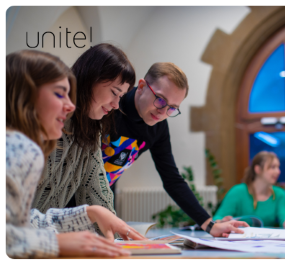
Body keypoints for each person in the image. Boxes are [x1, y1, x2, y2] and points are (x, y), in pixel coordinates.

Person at [6, 50, 142, 258]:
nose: (70, 104)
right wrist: (56, 241)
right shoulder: (22, 147)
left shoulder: (88, 131)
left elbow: (22, 223)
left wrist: (93, 214)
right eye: (60, 94)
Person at [101, 62, 248, 237]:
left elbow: (172, 179)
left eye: (172, 108)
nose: (163, 112)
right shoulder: (111, 105)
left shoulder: (158, 127)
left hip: (103, 201)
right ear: (141, 86)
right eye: (161, 100)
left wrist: (209, 225)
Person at [32, 44, 136, 221]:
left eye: (120, 97)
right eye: (114, 92)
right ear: (91, 78)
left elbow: (97, 192)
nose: (116, 105)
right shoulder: (43, 119)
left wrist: (118, 236)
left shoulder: (91, 129)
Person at [213, 151, 285, 228]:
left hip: (267, 243)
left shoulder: (279, 194)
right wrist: (222, 222)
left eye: (278, 167)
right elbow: (217, 219)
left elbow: (284, 219)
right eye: (272, 167)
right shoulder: (237, 191)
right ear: (258, 169)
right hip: (240, 242)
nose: (278, 171)